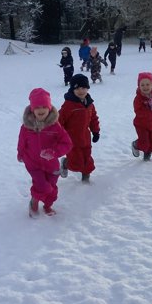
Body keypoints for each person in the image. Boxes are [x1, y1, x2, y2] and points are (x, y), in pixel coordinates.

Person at [17, 88, 72, 217]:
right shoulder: (26, 127)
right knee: (43, 186)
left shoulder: (55, 126)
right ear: (32, 109)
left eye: (44, 106)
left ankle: (48, 206)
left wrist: (54, 152)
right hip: (33, 163)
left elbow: (67, 143)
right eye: (37, 107)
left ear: (49, 108)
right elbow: (21, 142)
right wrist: (20, 153)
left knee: (52, 189)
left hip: (51, 164)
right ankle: (34, 201)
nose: (41, 110)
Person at [58, 74, 100, 183]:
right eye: (77, 88)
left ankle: (86, 179)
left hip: (85, 138)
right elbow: (59, 121)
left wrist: (95, 131)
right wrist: (60, 137)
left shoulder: (90, 104)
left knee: (87, 159)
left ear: (87, 88)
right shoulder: (68, 105)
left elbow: (93, 118)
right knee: (76, 163)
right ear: (72, 89)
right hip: (72, 140)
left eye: (83, 88)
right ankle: (66, 163)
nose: (81, 91)